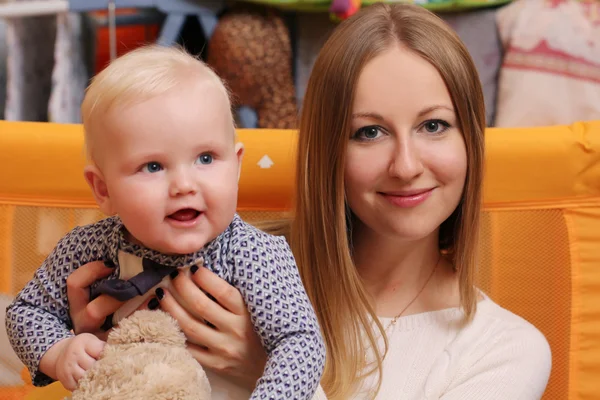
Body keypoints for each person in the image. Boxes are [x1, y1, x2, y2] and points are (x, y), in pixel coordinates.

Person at [63, 3, 552, 399]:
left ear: (472, 142)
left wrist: (267, 369)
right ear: (327, 150)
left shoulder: (507, 351)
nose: (405, 165)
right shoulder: (229, 270)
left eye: (434, 125)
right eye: (370, 131)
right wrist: (86, 340)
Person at [4, 45, 326, 400]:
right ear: (103, 188)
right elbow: (26, 311)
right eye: (153, 166)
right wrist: (59, 350)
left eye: (206, 158)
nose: (184, 186)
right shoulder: (89, 247)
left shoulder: (253, 253)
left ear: (236, 167)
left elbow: (301, 343)